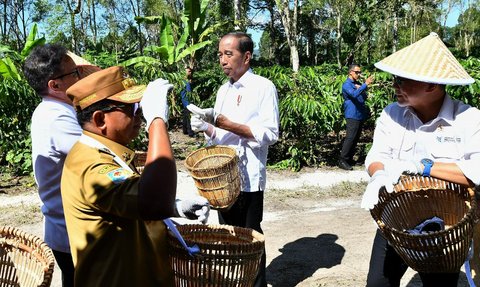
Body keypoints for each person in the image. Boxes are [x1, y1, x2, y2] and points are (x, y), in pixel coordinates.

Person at [61, 66, 210, 287]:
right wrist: (157, 122)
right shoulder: (90, 164)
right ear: (100, 119)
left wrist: (175, 207)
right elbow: (152, 202)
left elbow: (126, 202)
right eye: (131, 108)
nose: (139, 114)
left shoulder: (107, 152)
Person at [361, 32, 480, 287]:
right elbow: (377, 155)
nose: (395, 85)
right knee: (378, 282)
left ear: (432, 85)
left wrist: (424, 167)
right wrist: (379, 174)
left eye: (402, 80)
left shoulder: (468, 120)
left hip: (447, 224)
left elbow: (477, 170)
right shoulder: (393, 114)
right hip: (397, 214)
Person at [187, 31, 279, 287]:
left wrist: (225, 123)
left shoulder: (263, 87)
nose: (222, 60)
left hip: (249, 178)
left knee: (250, 237)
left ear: (246, 57)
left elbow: (270, 134)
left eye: (229, 54)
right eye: (220, 54)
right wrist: (207, 128)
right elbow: (220, 136)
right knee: (228, 236)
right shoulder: (222, 91)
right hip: (223, 179)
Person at [23, 44, 99, 287]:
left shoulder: (57, 109)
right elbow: (98, 156)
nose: (79, 77)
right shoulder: (56, 116)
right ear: (54, 85)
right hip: (72, 230)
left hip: (68, 227)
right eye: (74, 73)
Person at [338, 63, 373, 170]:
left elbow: (364, 96)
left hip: (359, 114)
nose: (359, 74)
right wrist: (364, 85)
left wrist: (362, 88)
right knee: (350, 137)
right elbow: (353, 95)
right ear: (350, 72)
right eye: (357, 72)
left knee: (356, 137)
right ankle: (342, 160)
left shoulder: (357, 84)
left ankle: (349, 158)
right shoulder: (346, 84)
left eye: (359, 72)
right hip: (352, 114)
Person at [180, 66, 195, 137]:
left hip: (183, 101)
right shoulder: (186, 82)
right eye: (189, 71)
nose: (190, 73)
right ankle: (190, 132)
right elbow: (189, 92)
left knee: (185, 116)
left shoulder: (181, 81)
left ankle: (185, 130)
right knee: (189, 117)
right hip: (187, 102)